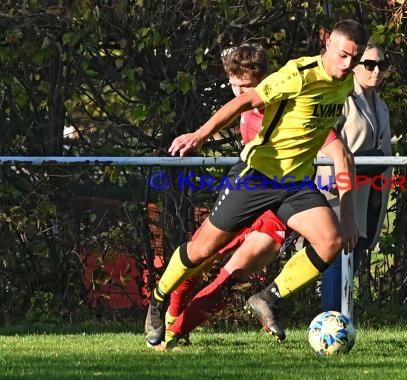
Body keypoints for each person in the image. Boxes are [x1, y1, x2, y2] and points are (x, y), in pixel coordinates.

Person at [145, 19, 367, 346]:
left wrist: (348, 217)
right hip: (256, 178)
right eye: (343, 55)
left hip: (293, 185)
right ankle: (159, 298)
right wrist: (200, 134)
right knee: (203, 250)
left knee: (330, 241)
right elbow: (244, 102)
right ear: (327, 43)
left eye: (355, 58)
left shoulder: (344, 85)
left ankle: (267, 298)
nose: (348, 64)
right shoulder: (298, 75)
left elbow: (341, 154)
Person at [150, 43, 287, 349]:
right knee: (199, 256)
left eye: (248, 87)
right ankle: (168, 318)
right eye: (235, 86)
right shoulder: (240, 105)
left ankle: (176, 333)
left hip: (276, 203)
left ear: (266, 80)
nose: (241, 94)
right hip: (245, 189)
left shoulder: (285, 101)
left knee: (233, 276)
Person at [316, 42, 392, 312]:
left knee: (355, 254)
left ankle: (341, 317)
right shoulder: (341, 98)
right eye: (369, 65)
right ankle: (331, 319)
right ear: (356, 66)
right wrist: (333, 182)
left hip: (372, 193)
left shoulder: (381, 105)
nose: (376, 71)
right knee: (337, 257)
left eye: (382, 65)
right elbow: (322, 143)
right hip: (339, 191)